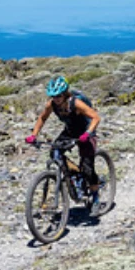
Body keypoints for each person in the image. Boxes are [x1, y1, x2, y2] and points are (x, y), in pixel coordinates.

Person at [25, 76, 102, 207]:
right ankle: (75, 174)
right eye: (53, 96)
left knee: (88, 168)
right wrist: (34, 135)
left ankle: (95, 197)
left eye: (59, 96)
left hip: (86, 131)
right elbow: (42, 118)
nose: (56, 99)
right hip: (71, 131)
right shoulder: (52, 104)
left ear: (65, 93)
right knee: (55, 152)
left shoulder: (76, 103)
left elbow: (95, 117)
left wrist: (88, 133)